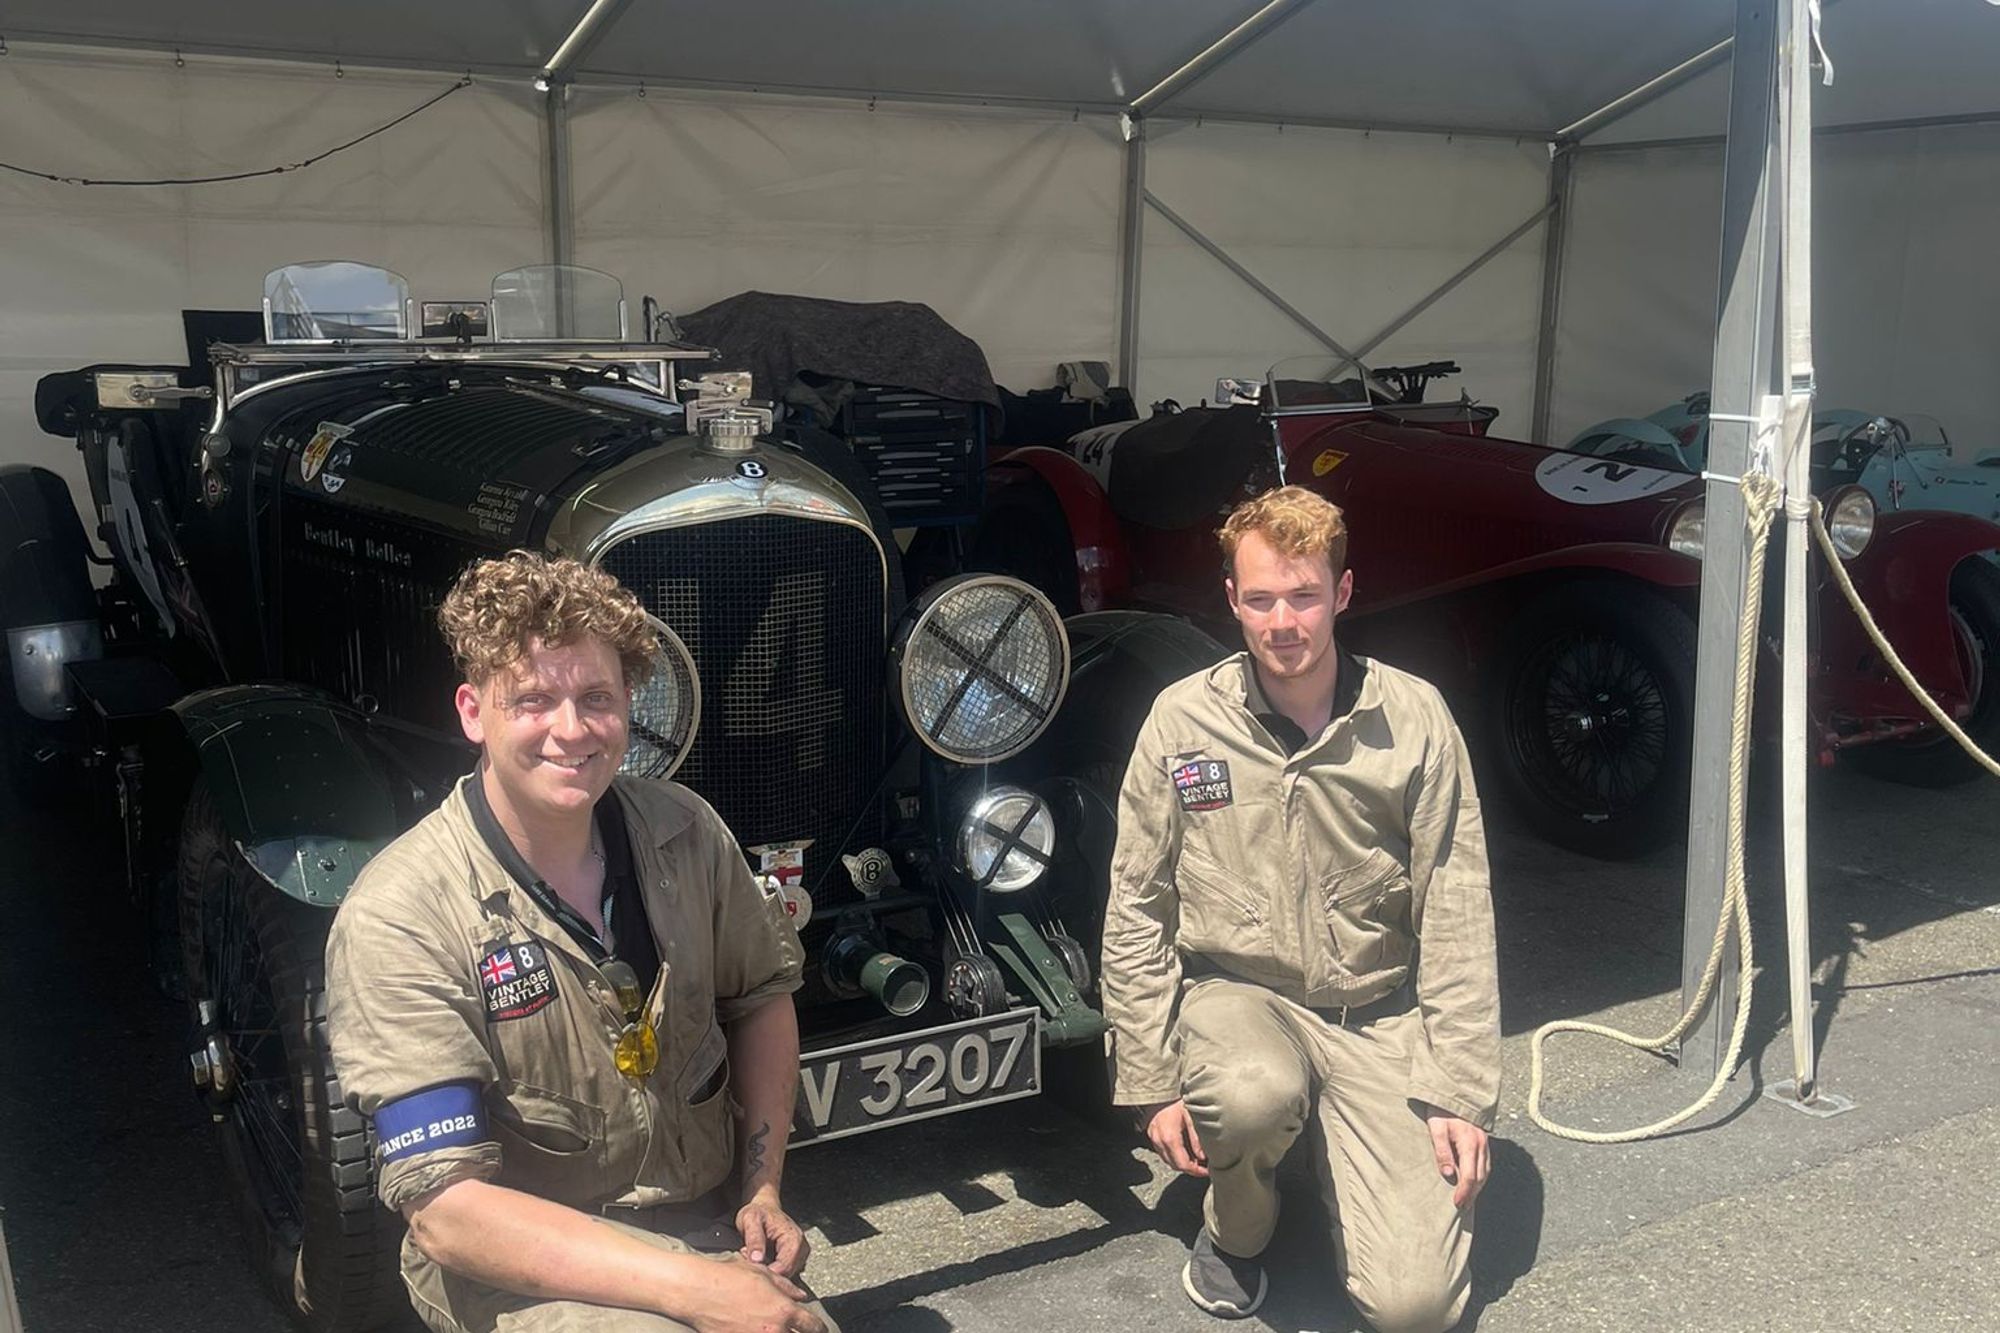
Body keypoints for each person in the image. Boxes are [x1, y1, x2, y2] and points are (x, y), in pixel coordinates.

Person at [326, 552, 832, 1333]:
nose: (571, 728)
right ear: (472, 711)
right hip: (526, 1273)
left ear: (630, 701)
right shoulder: (402, 912)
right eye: (532, 699)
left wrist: (761, 1191)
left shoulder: (685, 833)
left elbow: (762, 996)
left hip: (700, 1223)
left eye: (596, 696)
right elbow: (448, 1211)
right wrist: (692, 1291)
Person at [1100, 487, 1499, 1333]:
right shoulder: (1183, 722)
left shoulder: (1414, 719)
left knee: (1415, 1309)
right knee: (1248, 1094)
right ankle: (1239, 1229)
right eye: (1261, 598)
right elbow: (1137, 902)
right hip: (1239, 1001)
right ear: (1233, 601)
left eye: (1305, 595)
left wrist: (1459, 1090)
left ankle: (1343, 1154)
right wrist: (1149, 1079)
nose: (1285, 621)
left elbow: (1457, 906)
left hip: (1377, 1017)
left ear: (1343, 593)